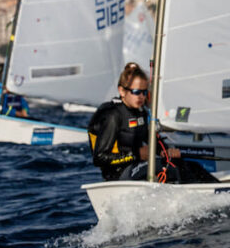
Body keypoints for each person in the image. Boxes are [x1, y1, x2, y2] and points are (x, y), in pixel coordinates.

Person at [87, 62, 218, 183]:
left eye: (144, 92)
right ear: (122, 91)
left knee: (189, 165)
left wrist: (167, 151)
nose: (141, 97)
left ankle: (219, 189)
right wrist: (137, 154)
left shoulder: (140, 111)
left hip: (137, 166)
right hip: (118, 175)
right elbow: (99, 158)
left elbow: (152, 140)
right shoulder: (112, 115)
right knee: (168, 168)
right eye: (136, 92)